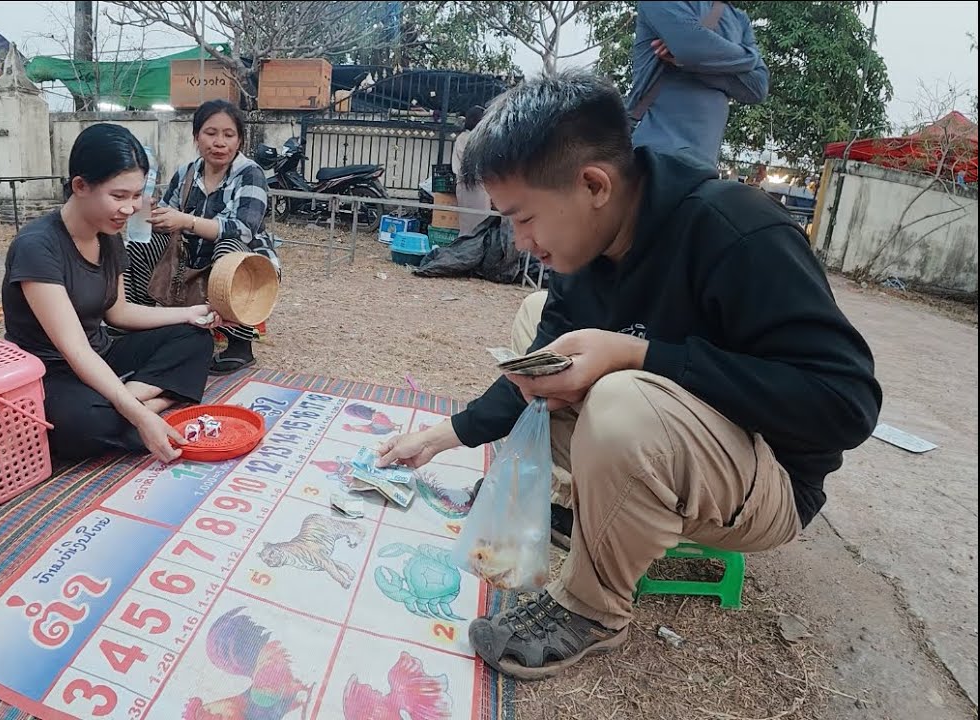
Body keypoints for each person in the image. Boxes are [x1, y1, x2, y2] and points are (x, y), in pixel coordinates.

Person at [376, 72, 881, 679]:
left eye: (524, 217)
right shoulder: (584, 249)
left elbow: (846, 405)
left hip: (766, 478)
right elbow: (537, 368)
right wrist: (438, 438)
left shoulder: (735, 229)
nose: (520, 240)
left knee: (621, 396)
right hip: (672, 437)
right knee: (541, 325)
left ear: (593, 184)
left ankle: (591, 607)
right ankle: (579, 511)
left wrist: (639, 355)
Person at [2, 123, 217, 464]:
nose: (131, 208)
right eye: (119, 196)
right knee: (84, 422)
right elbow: (74, 351)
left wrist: (190, 312)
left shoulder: (109, 235)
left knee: (196, 339)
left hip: (101, 356)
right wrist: (141, 413)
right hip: (49, 372)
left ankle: (130, 405)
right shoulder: (37, 247)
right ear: (80, 186)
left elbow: (119, 313)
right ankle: (145, 406)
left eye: (136, 195)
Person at [123, 99, 280, 376]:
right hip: (190, 259)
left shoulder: (250, 174)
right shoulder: (186, 173)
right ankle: (136, 324)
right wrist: (149, 213)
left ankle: (240, 345)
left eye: (228, 135)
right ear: (196, 137)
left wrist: (185, 220)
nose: (219, 142)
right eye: (211, 133)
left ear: (239, 140)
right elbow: (169, 217)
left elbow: (243, 228)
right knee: (138, 242)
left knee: (229, 247)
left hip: (242, 266)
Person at [625, 1, 769, 168]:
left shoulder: (739, 18)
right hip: (651, 149)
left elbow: (758, 87)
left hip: (704, 163)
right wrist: (749, 59)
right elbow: (690, 49)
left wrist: (687, 61)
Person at [452, 105, 493, 237]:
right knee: (475, 224)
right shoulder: (469, 139)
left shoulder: (464, 138)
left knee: (470, 224)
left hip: (468, 185)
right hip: (474, 185)